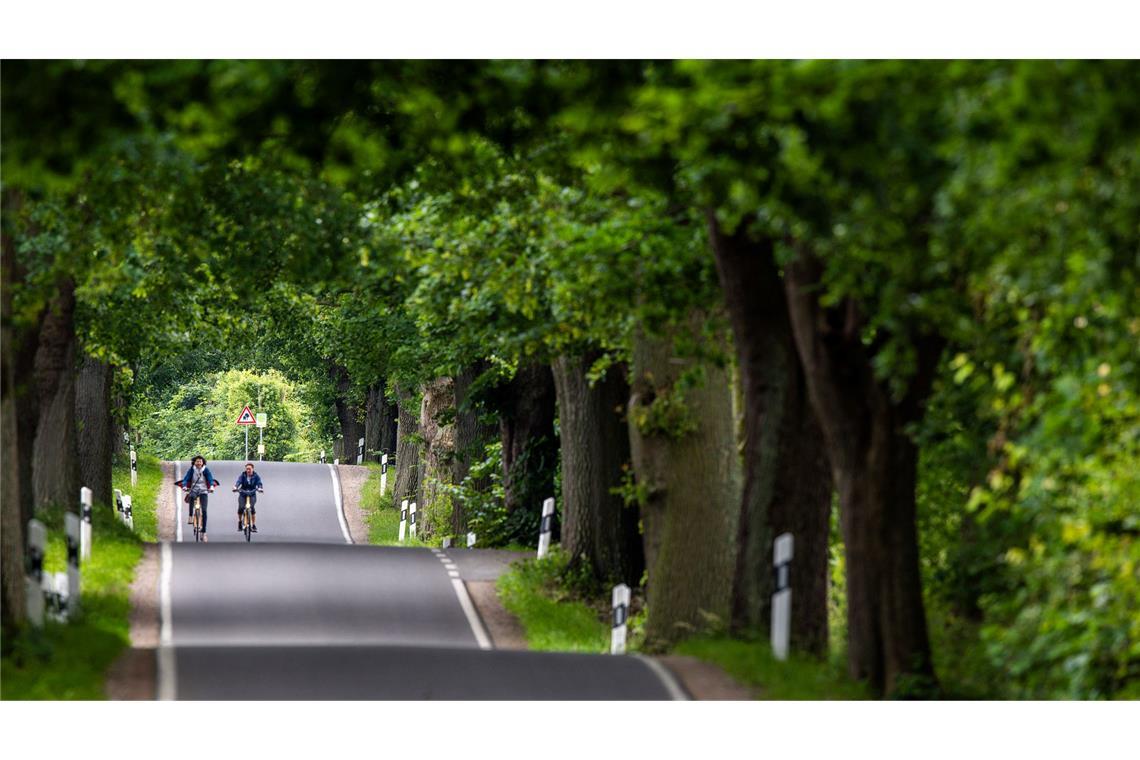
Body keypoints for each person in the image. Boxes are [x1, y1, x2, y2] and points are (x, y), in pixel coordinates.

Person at [180, 455, 220, 542]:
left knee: (204, 511)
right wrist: (184, 486)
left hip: (203, 491)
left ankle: (203, 532)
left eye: (200, 461)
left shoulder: (206, 470)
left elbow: (210, 479)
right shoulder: (192, 470)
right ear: (194, 462)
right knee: (191, 496)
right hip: (193, 490)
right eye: (197, 461)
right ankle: (190, 516)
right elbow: (186, 479)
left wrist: (212, 486)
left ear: (203, 462)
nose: (199, 463)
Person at [233, 462, 264, 532]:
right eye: (247, 469)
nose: (248, 470)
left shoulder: (256, 476)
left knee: (252, 508)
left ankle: (253, 525)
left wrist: (260, 488)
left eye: (249, 469)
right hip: (243, 493)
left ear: (253, 469)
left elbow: (259, 483)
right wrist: (235, 487)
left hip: (252, 493)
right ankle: (240, 522)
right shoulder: (242, 475)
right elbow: (238, 482)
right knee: (241, 507)